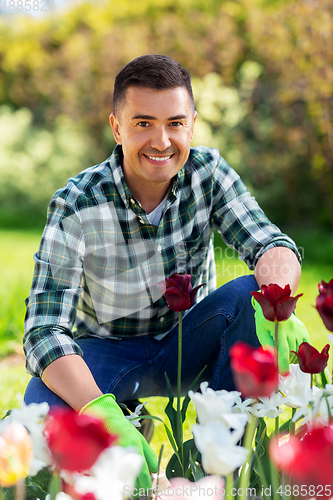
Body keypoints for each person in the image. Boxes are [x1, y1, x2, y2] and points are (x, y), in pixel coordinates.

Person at [23, 54, 309, 489]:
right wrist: (97, 411)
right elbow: (44, 330)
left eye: (175, 123)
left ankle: (218, 470)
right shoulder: (77, 202)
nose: (161, 141)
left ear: (191, 124)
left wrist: (278, 301)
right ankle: (125, 428)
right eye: (142, 123)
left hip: (187, 345)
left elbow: (270, 244)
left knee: (249, 297)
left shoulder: (208, 173)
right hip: (106, 353)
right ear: (117, 128)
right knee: (41, 411)